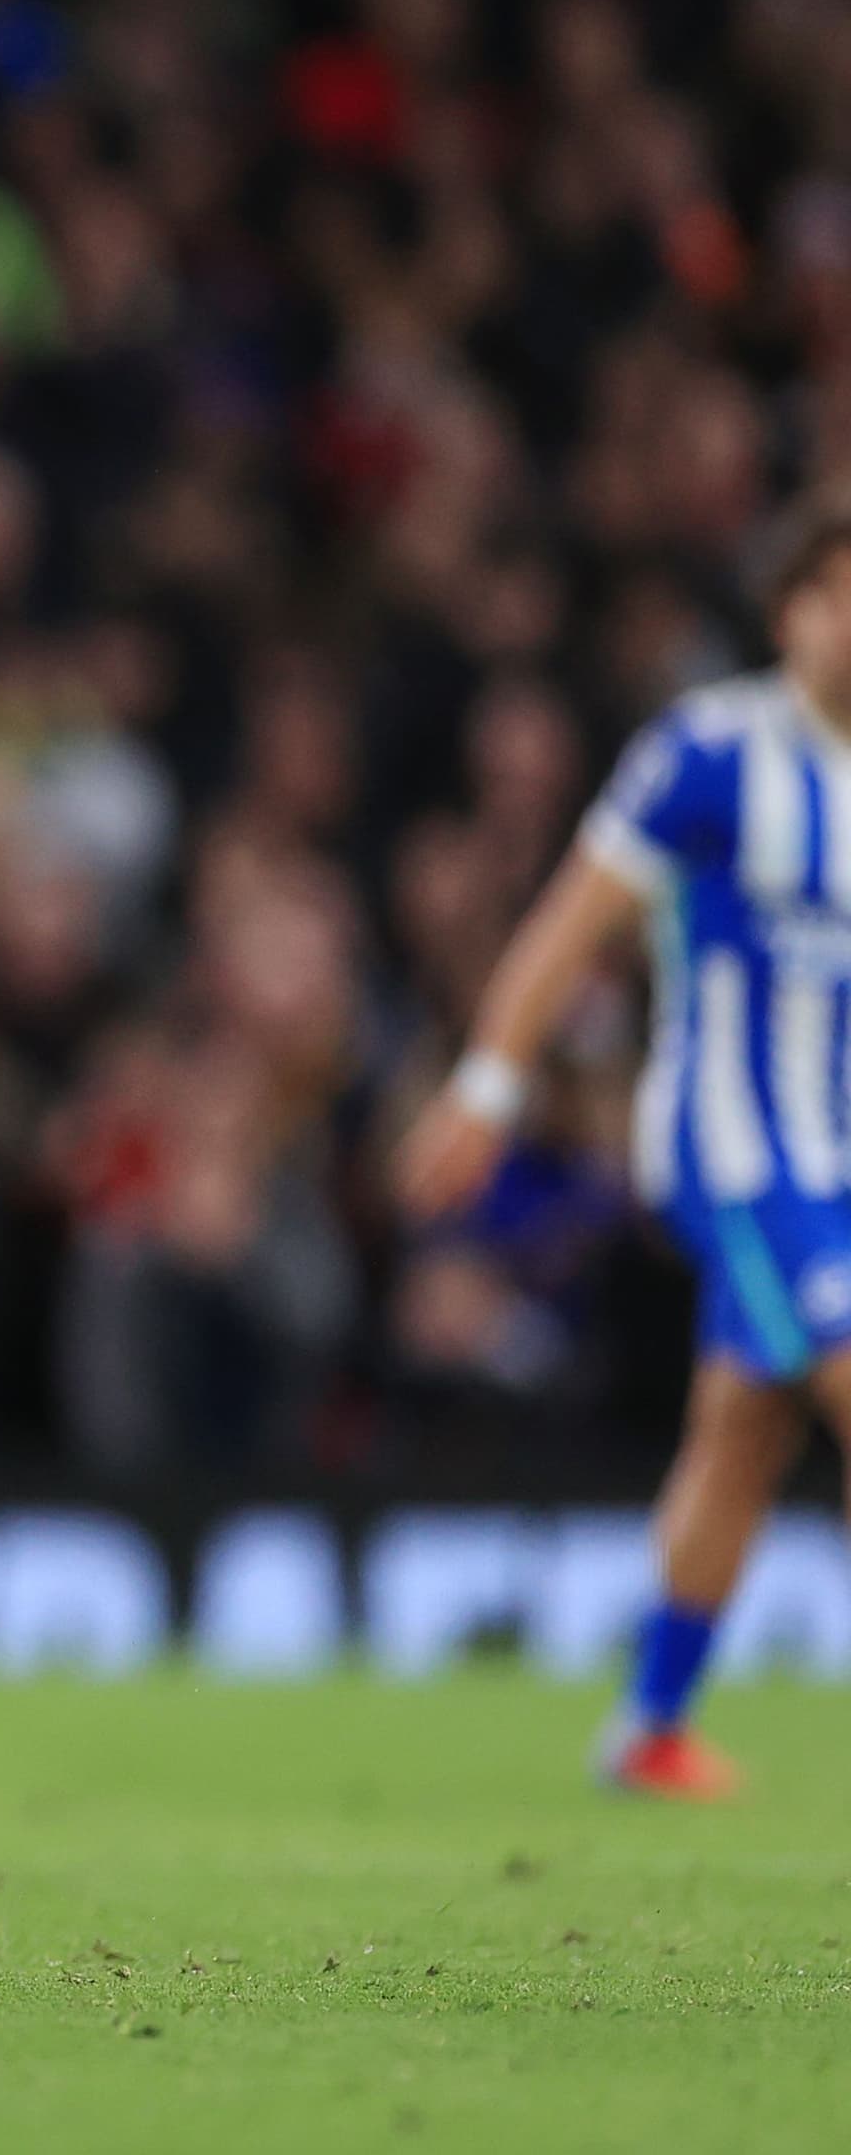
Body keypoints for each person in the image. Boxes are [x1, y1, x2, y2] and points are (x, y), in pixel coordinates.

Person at [396, 495, 851, 1799]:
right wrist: (488, 1086)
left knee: (745, 1427)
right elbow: (570, 921)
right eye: (835, 592)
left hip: (839, 1159)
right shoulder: (712, 752)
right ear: (788, 613)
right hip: (738, 1152)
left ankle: (648, 1726)